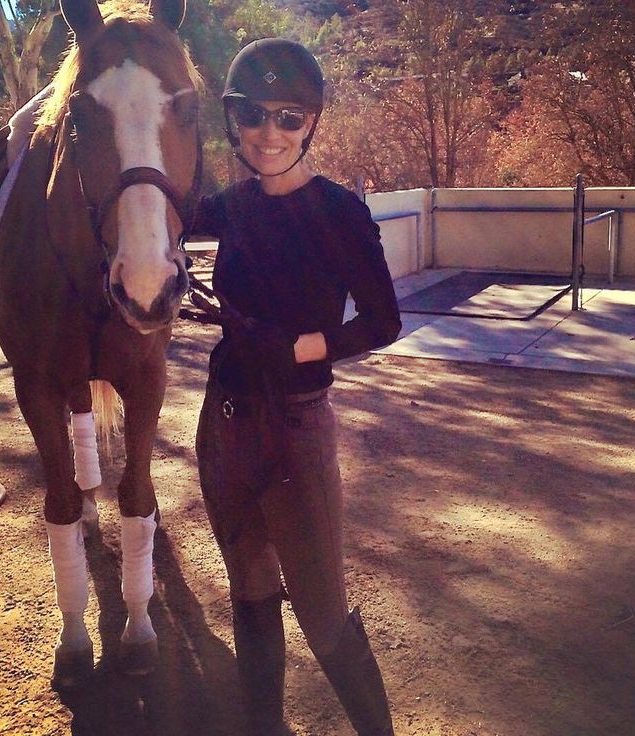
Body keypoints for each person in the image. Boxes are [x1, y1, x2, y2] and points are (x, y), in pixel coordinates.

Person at [193, 38, 401, 736]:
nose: (270, 132)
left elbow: (384, 320)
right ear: (233, 120)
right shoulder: (229, 206)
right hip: (222, 423)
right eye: (253, 114)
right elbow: (148, 208)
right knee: (249, 589)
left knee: (321, 611)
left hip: (296, 426)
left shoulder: (340, 211)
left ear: (312, 122)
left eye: (289, 116)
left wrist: (301, 347)